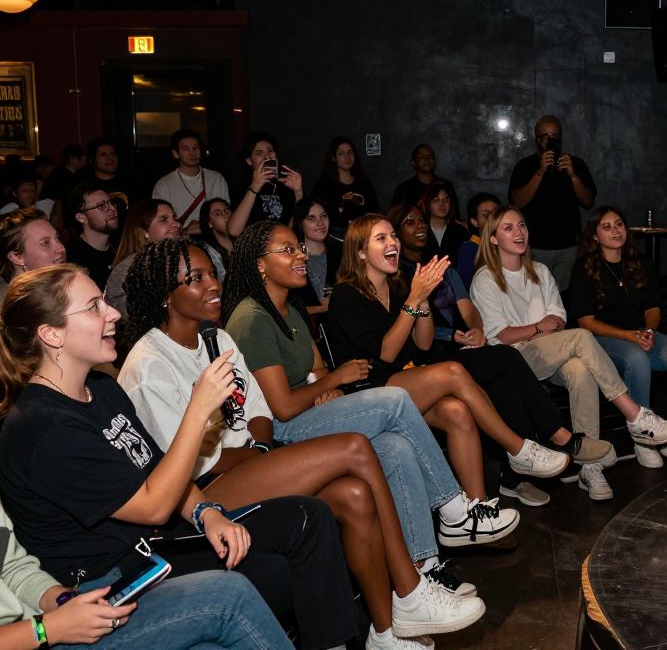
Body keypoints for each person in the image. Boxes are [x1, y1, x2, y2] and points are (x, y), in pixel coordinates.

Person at [118, 239, 485, 648]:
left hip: (253, 459)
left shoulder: (216, 337)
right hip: (201, 493)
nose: (213, 284)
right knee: (354, 447)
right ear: (165, 296)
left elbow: (258, 410)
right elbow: (182, 463)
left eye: (212, 274)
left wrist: (260, 449)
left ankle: (385, 633)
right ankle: (410, 590)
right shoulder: (149, 364)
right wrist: (254, 454)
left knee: (354, 494)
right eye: (195, 278)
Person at [0, 265, 360, 649]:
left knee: (307, 516)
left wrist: (207, 513)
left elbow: (157, 465)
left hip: (153, 548)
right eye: (93, 307)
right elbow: (154, 506)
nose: (113, 313)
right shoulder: (40, 428)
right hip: (111, 580)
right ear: (52, 334)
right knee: (252, 585)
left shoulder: (101, 388)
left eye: (104, 302)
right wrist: (198, 410)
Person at [222, 221, 520, 572]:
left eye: (299, 248)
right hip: (280, 429)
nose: (301, 256)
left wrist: (328, 385)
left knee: (398, 447)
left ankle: (424, 569)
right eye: (288, 250)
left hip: (309, 410)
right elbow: (283, 407)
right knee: (395, 399)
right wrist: (336, 378)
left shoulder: (290, 307)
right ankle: (454, 510)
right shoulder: (252, 318)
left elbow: (317, 369)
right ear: (259, 264)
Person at [329, 213, 572, 504]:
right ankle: (520, 449)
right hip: (370, 388)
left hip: (408, 377)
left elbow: (423, 342)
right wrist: (413, 300)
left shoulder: (397, 286)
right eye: (381, 238)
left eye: (393, 235)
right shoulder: (346, 294)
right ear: (360, 252)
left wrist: (422, 300)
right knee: (455, 371)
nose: (392, 242)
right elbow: (387, 353)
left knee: (461, 408)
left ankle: (477, 507)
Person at [389, 204, 612, 506]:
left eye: (421, 220)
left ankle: (518, 474)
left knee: (511, 378)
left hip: (466, 348)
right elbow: (419, 343)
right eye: (408, 222)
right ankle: (557, 439)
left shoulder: (442, 267)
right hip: (433, 357)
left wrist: (476, 329)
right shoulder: (398, 277)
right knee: (507, 362)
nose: (419, 226)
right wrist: (446, 330)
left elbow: (468, 310)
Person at [472, 206, 667, 501]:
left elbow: (558, 318)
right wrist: (538, 327)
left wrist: (540, 330)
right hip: (512, 361)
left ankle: (589, 466)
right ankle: (635, 415)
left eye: (522, 225)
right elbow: (501, 335)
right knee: (582, 336)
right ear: (493, 238)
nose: (519, 232)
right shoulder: (485, 279)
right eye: (508, 228)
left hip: (551, 349)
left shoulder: (540, 271)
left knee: (581, 370)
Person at [0, 498, 294, 649]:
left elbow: (15, 568)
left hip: (43, 627)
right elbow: (154, 505)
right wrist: (48, 629)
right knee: (228, 596)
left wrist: (65, 601)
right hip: (37, 635)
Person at [570, 206, 667, 468]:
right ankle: (644, 438)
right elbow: (586, 322)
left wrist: (649, 330)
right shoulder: (584, 268)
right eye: (607, 227)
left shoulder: (639, 262)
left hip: (638, 333)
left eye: (619, 224)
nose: (615, 230)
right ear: (594, 235)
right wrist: (628, 336)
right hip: (601, 338)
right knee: (637, 359)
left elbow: (653, 308)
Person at [508, 115, 596, 291]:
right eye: (545, 136)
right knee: (536, 293)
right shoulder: (525, 166)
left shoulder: (575, 163)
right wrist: (540, 171)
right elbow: (517, 202)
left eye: (555, 135)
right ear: (538, 140)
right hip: (535, 245)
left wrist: (573, 175)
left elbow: (588, 201)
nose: (551, 140)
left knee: (564, 294)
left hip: (569, 246)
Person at [104, 199, 183, 319]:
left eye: (175, 218)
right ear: (145, 232)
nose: (176, 224)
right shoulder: (128, 268)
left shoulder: (190, 255)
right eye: (163, 220)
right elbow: (121, 311)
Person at [151, 129, 231, 235]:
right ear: (175, 153)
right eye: (186, 148)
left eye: (195, 147)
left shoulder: (216, 179)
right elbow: (159, 221)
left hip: (213, 236)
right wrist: (184, 231)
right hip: (180, 238)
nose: (192, 153)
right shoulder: (164, 185)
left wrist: (205, 226)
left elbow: (226, 214)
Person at [226, 132, 303, 237]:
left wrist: (298, 193)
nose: (267, 157)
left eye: (270, 151)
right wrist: (254, 188)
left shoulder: (287, 185)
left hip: (282, 243)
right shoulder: (243, 188)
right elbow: (234, 230)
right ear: (249, 161)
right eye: (259, 153)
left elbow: (296, 228)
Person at [312, 136, 379, 237]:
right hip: (334, 238)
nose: (347, 157)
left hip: (362, 236)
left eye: (350, 152)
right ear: (333, 158)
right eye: (341, 153)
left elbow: (374, 213)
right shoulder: (323, 187)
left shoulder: (363, 183)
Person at [0, 208, 67, 303]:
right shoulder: (10, 308)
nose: (61, 247)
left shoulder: (64, 287)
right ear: (17, 257)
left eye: (57, 238)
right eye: (45, 243)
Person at [64, 183, 119, 290]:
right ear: (81, 218)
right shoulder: (72, 261)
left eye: (111, 203)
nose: (112, 209)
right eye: (101, 206)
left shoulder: (120, 247)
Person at [292, 196, 343, 311]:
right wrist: (320, 308)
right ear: (300, 223)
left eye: (323, 216)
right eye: (311, 218)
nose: (320, 223)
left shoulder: (342, 253)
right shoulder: (292, 259)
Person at [390, 144, 459, 218]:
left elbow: (455, 215)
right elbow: (395, 217)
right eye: (421, 156)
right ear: (413, 162)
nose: (426, 159)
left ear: (435, 161)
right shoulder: (403, 189)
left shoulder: (446, 185)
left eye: (430, 156)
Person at [456, 191, 499, 289]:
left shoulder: (508, 243)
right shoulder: (469, 249)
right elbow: (468, 286)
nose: (492, 219)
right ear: (475, 222)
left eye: (496, 214)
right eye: (486, 215)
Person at [420, 181, 467, 263]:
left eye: (446, 200)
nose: (442, 204)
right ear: (427, 204)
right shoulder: (420, 230)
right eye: (436, 200)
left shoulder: (460, 232)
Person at [198, 197, 233, 281]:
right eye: (217, 213)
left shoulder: (246, 243)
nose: (225, 216)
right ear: (209, 223)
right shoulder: (209, 254)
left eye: (227, 211)